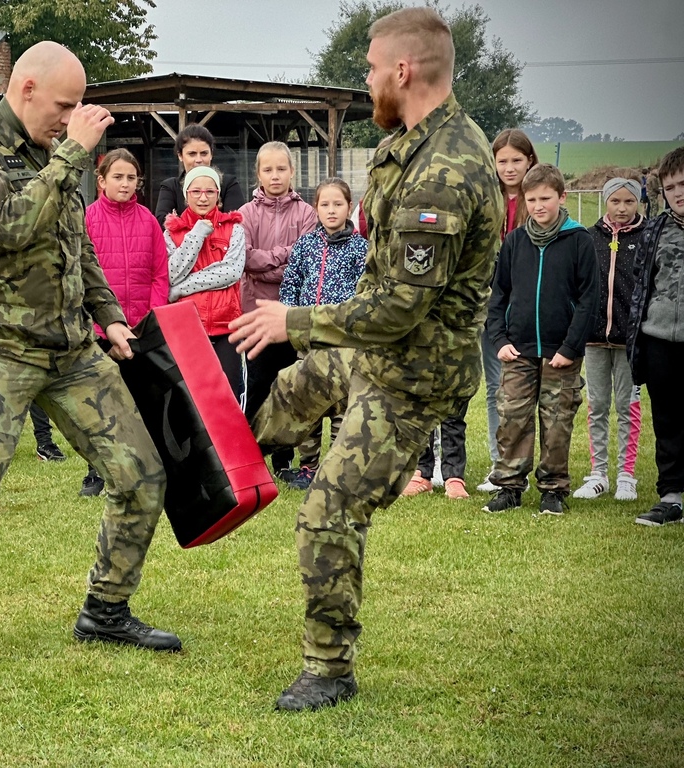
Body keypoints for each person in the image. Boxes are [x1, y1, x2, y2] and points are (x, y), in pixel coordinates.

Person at [228, 7, 502, 710]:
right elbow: (378, 291)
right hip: (374, 351)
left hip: (412, 374)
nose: (369, 79)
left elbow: (397, 308)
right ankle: (222, 480)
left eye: (373, 69)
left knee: (329, 509)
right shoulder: (403, 146)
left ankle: (329, 667)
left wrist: (296, 319)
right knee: (288, 393)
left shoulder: (446, 170)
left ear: (403, 71)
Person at [0, 41, 180, 685]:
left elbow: (78, 250)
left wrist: (108, 316)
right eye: (65, 106)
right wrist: (72, 153)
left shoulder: (55, 155)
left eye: (78, 108)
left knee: (141, 474)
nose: (72, 118)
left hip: (72, 350)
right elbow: (15, 225)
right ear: (24, 89)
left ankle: (106, 608)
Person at [484, 163, 600, 516]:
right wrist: (499, 337)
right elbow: (498, 294)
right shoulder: (515, 241)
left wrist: (570, 347)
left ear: (561, 197)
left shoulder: (579, 240)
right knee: (513, 417)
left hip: (559, 353)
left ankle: (553, 488)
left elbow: (588, 298)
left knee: (557, 421)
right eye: (532, 199)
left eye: (546, 198)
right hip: (517, 349)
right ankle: (509, 487)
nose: (539, 206)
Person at [79, 147, 169, 497]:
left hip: (138, 328)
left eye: (131, 178)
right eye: (118, 177)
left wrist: (150, 318)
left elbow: (160, 274)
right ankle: (97, 472)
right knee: (100, 405)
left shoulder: (147, 220)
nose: (125, 183)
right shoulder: (87, 219)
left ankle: (144, 467)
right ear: (101, 181)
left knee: (140, 402)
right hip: (99, 330)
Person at [278, 177, 367, 491]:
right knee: (309, 406)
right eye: (325, 204)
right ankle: (308, 468)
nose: (331, 210)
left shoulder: (361, 248)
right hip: (309, 342)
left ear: (349, 207)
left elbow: (365, 294)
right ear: (315, 209)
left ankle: (339, 469)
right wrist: (291, 322)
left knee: (343, 408)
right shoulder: (305, 245)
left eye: (338, 204)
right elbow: (290, 286)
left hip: (344, 344)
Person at [239, 141, 317, 483]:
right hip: (255, 315)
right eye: (268, 169)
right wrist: (284, 257)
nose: (275, 175)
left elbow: (303, 263)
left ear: (292, 172)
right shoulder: (244, 214)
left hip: (292, 317)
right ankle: (249, 459)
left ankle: (284, 462)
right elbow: (245, 259)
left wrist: (268, 261)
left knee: (289, 388)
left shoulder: (308, 214)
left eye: (281, 169)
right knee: (256, 387)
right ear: (258, 173)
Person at [574, 177, 645, 502]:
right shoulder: (589, 238)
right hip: (594, 339)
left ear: (638, 203)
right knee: (597, 406)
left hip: (630, 341)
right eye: (615, 201)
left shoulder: (646, 238)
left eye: (628, 202)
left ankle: (626, 475)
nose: (621, 208)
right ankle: (598, 473)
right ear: (605, 202)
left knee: (627, 406)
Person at [477, 128, 539, 493]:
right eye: (503, 161)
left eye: (517, 160)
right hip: (492, 309)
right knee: (496, 387)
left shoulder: (538, 202)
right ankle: (500, 463)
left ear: (530, 160)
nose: (510, 167)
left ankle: (531, 464)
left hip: (530, 310)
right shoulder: (488, 201)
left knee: (529, 392)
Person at [627, 146, 684, 527]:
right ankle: (671, 497)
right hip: (660, 339)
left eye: (683, 184)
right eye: (670, 187)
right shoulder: (654, 230)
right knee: (667, 420)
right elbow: (639, 284)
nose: (678, 192)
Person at [165, 166, 247, 398]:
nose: (203, 198)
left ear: (218, 195)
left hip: (226, 325)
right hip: (189, 325)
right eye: (196, 191)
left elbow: (231, 271)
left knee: (228, 394)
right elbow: (171, 273)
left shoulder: (234, 228)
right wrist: (197, 234)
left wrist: (182, 288)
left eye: (210, 192)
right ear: (186, 195)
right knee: (192, 397)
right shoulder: (172, 233)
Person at [154, 124, 244, 222]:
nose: (198, 160)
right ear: (180, 155)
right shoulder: (170, 187)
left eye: (204, 153)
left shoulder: (229, 184)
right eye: (192, 154)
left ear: (211, 154)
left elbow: (235, 222)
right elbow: (162, 223)